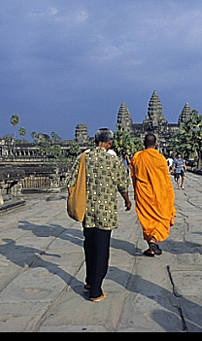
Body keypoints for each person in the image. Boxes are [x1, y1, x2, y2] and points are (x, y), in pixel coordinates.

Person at [67, 128, 131, 302]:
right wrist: (127, 200)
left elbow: (70, 182)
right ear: (109, 143)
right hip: (106, 213)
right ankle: (95, 291)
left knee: (89, 246)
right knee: (102, 250)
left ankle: (89, 281)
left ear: (95, 141)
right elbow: (123, 184)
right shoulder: (114, 160)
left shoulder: (82, 158)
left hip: (87, 211)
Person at [130, 134, 176, 257]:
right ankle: (153, 239)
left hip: (144, 194)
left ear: (143, 143)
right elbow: (166, 179)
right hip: (159, 193)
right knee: (159, 218)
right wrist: (169, 194)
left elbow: (133, 176)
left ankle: (151, 244)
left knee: (147, 219)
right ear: (155, 144)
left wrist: (136, 191)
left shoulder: (137, 157)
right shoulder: (160, 158)